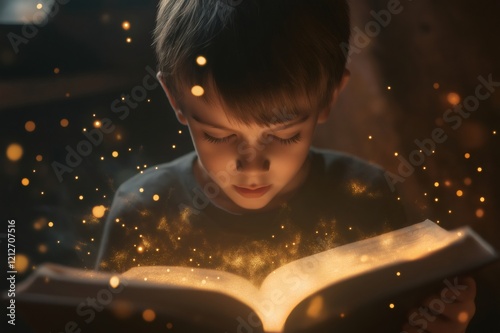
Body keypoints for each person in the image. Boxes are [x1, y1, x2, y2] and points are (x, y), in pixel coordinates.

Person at [95, 1, 475, 332]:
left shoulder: (367, 196)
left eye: (284, 136)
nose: (252, 166)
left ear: (329, 98)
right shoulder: (143, 212)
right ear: (176, 99)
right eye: (219, 136)